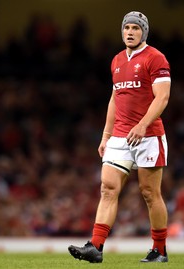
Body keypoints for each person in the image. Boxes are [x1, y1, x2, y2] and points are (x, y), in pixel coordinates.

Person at [68, 11, 171, 263]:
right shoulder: (116, 60)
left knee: (149, 193)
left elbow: (163, 97)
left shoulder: (155, 58)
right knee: (107, 188)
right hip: (120, 136)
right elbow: (115, 98)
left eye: (136, 28)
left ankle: (159, 249)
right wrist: (106, 135)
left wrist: (143, 125)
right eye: (127, 28)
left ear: (144, 31)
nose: (130, 32)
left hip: (149, 135)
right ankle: (96, 246)